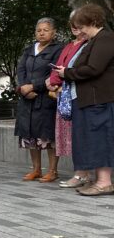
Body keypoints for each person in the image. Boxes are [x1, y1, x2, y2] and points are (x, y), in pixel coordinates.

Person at [56, 3, 114, 196]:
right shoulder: (96, 40)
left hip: (100, 99)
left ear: (93, 22)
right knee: (94, 140)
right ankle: (100, 180)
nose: (80, 31)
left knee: (100, 140)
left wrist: (68, 73)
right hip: (91, 99)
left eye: (81, 27)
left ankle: (105, 182)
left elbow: (94, 68)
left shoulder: (105, 38)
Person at [15, 18, 63, 182]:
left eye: (46, 30)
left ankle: (52, 170)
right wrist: (23, 88)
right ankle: (36, 169)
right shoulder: (29, 49)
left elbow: (54, 74)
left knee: (47, 135)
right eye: (38, 30)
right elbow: (20, 69)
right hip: (27, 99)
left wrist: (34, 86)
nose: (41, 33)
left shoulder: (58, 50)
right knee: (30, 135)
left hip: (46, 98)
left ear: (54, 32)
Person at [46, 19, 90, 188]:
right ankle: (80, 173)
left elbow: (75, 69)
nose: (75, 28)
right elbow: (60, 66)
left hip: (79, 94)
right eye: (72, 25)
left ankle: (82, 174)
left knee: (79, 136)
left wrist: (59, 77)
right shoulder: (70, 45)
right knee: (74, 136)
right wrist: (52, 80)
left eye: (80, 24)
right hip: (66, 94)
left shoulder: (88, 45)